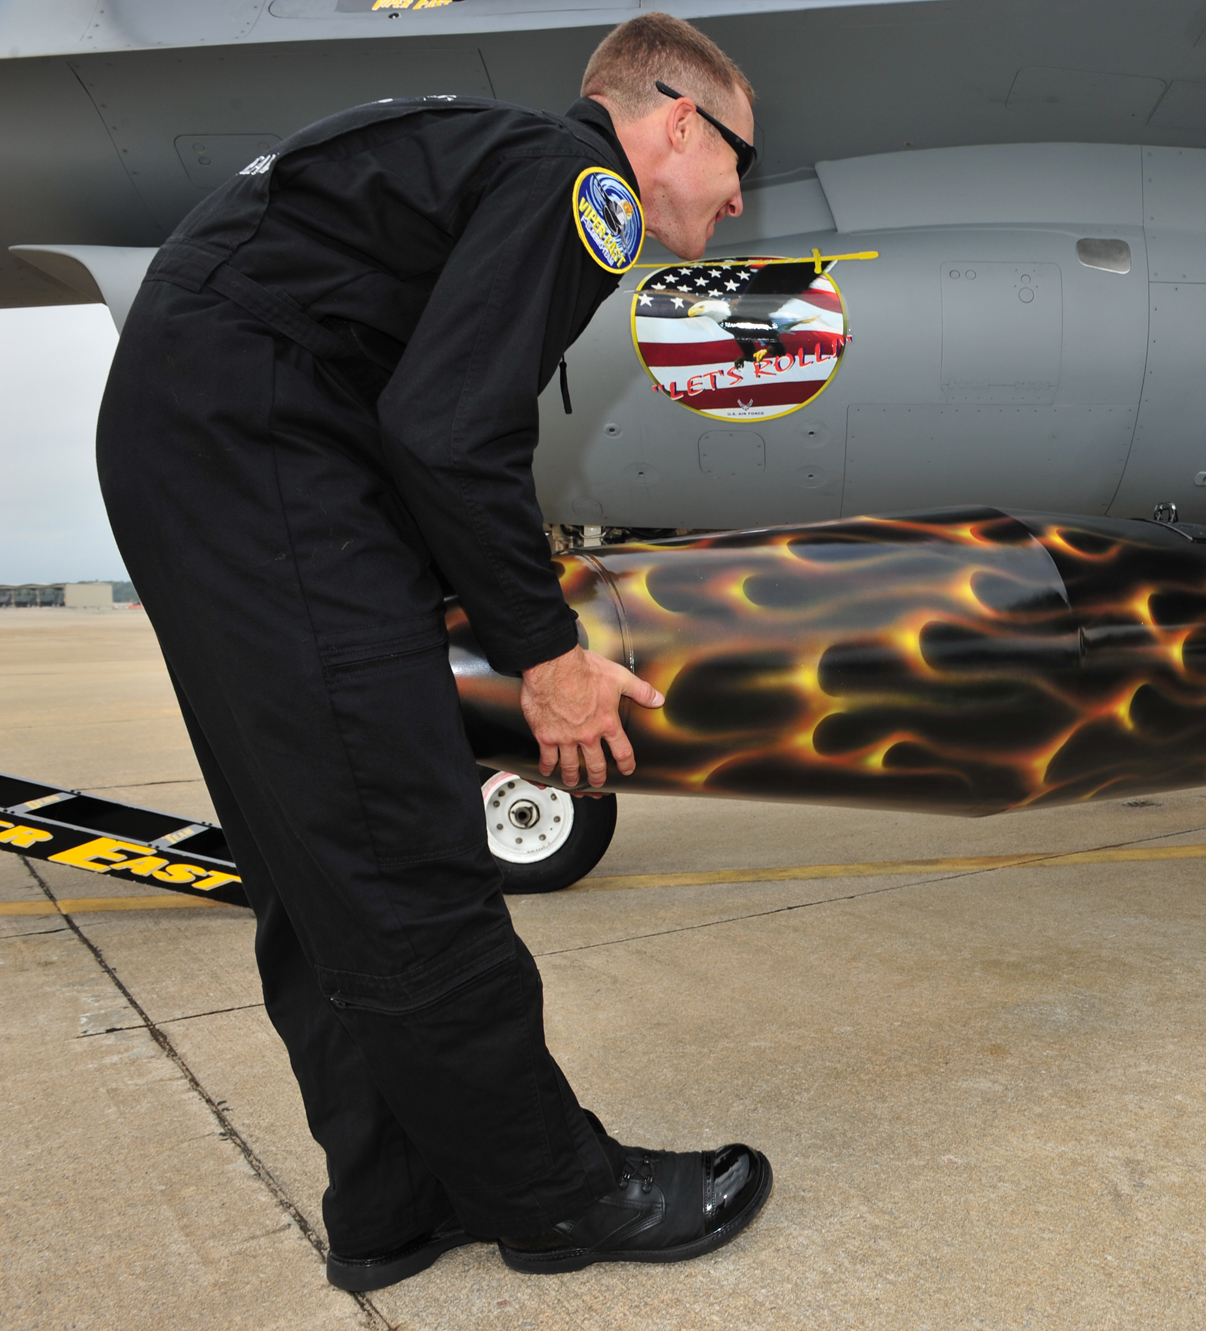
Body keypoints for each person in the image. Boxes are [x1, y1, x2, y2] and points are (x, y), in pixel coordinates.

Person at [95, 15, 771, 1291]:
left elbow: (409, 403)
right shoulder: (580, 184)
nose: (738, 195)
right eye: (738, 157)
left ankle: (397, 1199)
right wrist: (545, 652)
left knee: (318, 854)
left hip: (205, 442)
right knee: (398, 839)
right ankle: (564, 1196)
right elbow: (451, 426)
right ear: (675, 118)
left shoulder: (485, 156)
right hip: (265, 450)